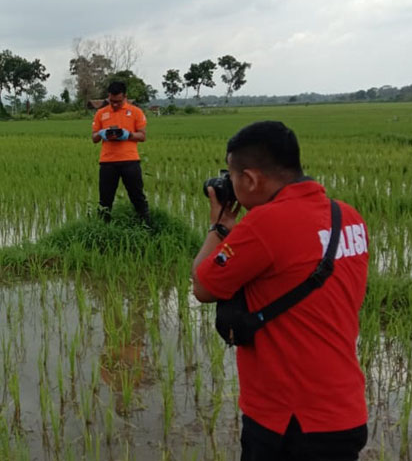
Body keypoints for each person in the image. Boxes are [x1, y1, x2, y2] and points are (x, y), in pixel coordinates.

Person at [192, 121, 369, 460]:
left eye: (233, 175)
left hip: (287, 419)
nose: (230, 183)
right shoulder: (346, 216)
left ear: (252, 179)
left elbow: (203, 285)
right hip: (346, 411)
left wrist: (218, 227)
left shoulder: (265, 224)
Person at [91, 81, 151, 226]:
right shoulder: (101, 113)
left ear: (125, 96)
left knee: (137, 196)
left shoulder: (136, 112)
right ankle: (103, 228)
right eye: (112, 101)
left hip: (130, 161)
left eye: (118, 101)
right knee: (105, 199)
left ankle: (146, 225)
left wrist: (128, 135)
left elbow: (142, 136)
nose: (115, 104)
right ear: (108, 97)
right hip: (107, 162)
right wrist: (101, 133)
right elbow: (94, 138)